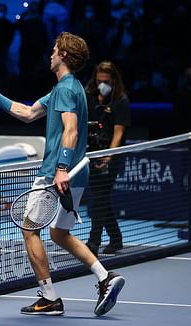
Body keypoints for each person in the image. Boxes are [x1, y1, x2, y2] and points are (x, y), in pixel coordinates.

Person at [0, 32, 125, 316]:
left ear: (63, 55)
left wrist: (60, 169)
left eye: (54, 50)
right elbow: (26, 113)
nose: (50, 54)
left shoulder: (65, 90)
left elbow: (71, 130)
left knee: (29, 229)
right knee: (59, 233)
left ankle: (49, 297)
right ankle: (105, 277)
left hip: (56, 173)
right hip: (77, 172)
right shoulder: (68, 89)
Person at [85, 60, 131, 256]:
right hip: (92, 154)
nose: (102, 82)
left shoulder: (121, 100)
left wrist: (109, 155)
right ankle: (116, 239)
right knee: (101, 198)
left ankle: (93, 242)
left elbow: (119, 132)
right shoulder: (90, 96)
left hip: (112, 156)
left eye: (106, 80)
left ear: (113, 79)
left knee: (99, 198)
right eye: (99, 79)